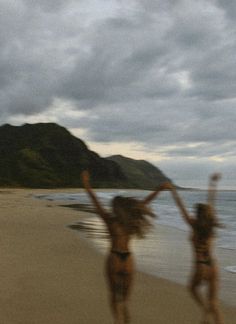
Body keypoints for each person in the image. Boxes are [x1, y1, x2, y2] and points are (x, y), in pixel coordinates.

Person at [81, 170, 168, 324]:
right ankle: (125, 314)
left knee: (114, 295)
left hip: (114, 257)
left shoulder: (109, 220)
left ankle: (118, 320)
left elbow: (95, 201)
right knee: (125, 297)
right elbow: (146, 202)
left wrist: (87, 184)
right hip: (127, 259)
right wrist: (159, 189)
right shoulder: (131, 220)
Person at [166, 174, 224, 324]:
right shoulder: (210, 226)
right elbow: (211, 202)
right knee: (215, 304)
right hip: (213, 266)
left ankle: (204, 310)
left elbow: (180, 206)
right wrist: (212, 184)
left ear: (197, 215)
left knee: (192, 288)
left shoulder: (193, 224)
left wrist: (173, 191)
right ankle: (210, 314)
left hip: (200, 266)